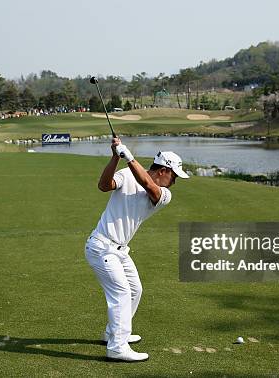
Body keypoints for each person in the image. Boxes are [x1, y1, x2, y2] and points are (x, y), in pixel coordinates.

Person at [85, 138, 189, 362]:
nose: (174, 183)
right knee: (122, 293)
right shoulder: (127, 174)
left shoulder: (163, 195)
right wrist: (115, 157)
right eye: (174, 177)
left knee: (135, 290)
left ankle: (113, 333)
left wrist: (129, 157)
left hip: (119, 251)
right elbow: (104, 186)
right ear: (163, 170)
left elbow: (148, 185)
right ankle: (117, 347)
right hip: (102, 247)